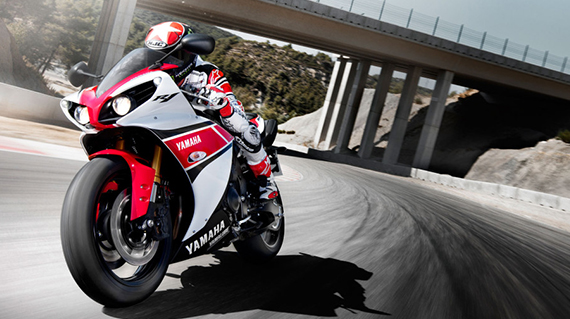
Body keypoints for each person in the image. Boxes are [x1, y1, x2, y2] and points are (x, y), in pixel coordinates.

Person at [144, 21, 278, 201]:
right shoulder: (150, 71)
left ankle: (267, 183)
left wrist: (218, 100)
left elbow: (228, 101)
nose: (163, 61)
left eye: (173, 56)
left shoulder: (206, 72)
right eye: (156, 55)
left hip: (210, 121)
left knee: (244, 130)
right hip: (171, 122)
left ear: (188, 53)